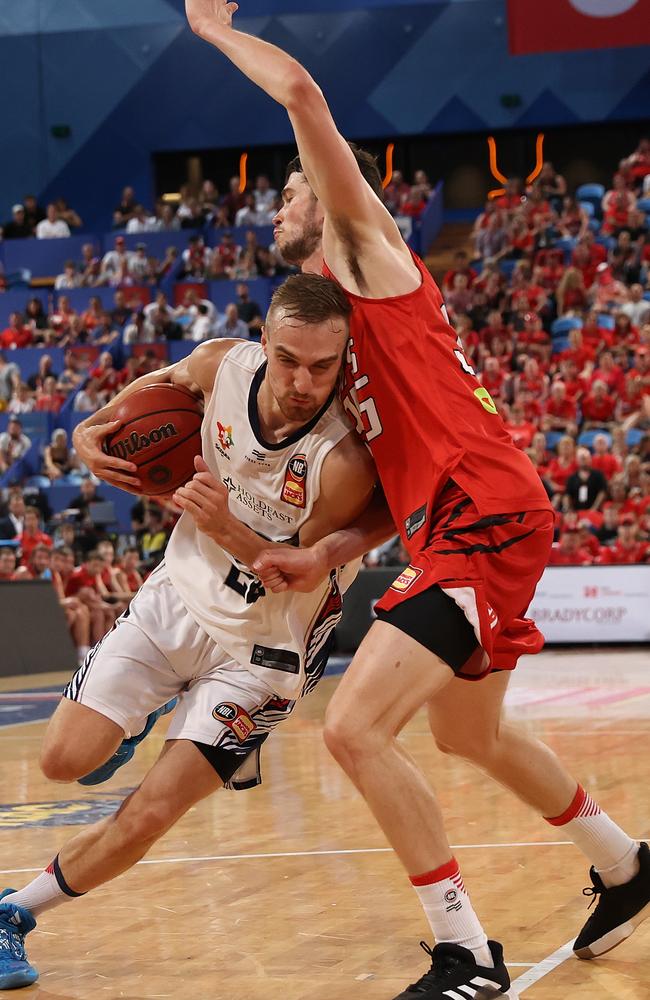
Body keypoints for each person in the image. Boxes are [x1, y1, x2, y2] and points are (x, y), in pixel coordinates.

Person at [184, 5, 650, 998]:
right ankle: (623, 864)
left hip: (481, 511)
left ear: (336, 192)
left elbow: (304, 98)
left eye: (293, 186)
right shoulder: (328, 327)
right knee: (466, 733)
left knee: (353, 729)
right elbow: (392, 472)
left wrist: (212, 30)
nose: (279, 202)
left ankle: (465, 954)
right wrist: (328, 553)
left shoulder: (364, 255)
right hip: (459, 515)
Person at [0, 273, 376, 990]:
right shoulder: (216, 366)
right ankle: (138, 718)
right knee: (61, 761)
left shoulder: (344, 459)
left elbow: (293, 571)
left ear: (343, 356)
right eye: (289, 358)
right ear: (263, 341)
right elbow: (131, 403)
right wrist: (88, 433)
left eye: (323, 366)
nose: (303, 380)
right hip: (179, 598)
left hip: (266, 649)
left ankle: (13, 912)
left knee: (149, 816)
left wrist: (224, 525)